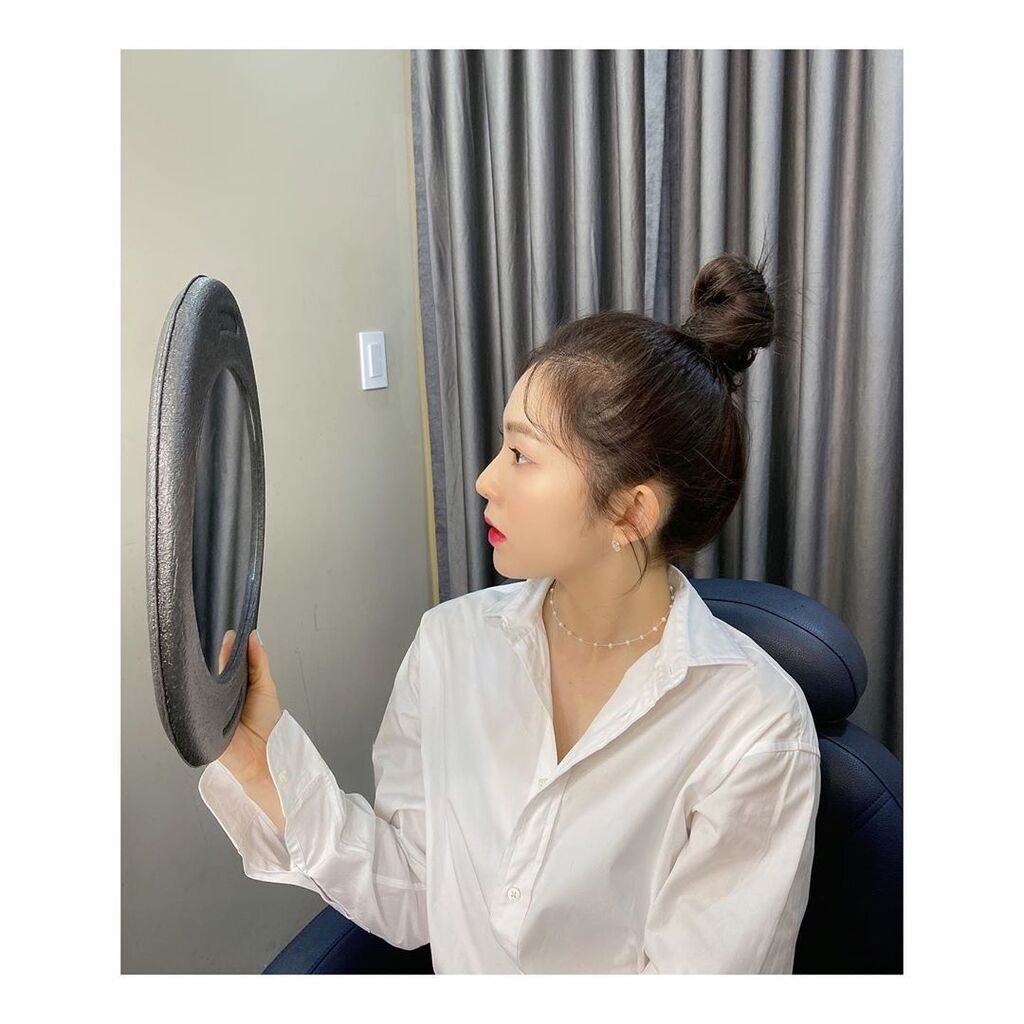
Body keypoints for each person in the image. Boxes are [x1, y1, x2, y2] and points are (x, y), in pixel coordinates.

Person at [199, 250, 821, 973]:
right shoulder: (450, 646)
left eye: (523, 455)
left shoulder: (755, 731)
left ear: (630, 511)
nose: (484, 479)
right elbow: (413, 893)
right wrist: (262, 764)